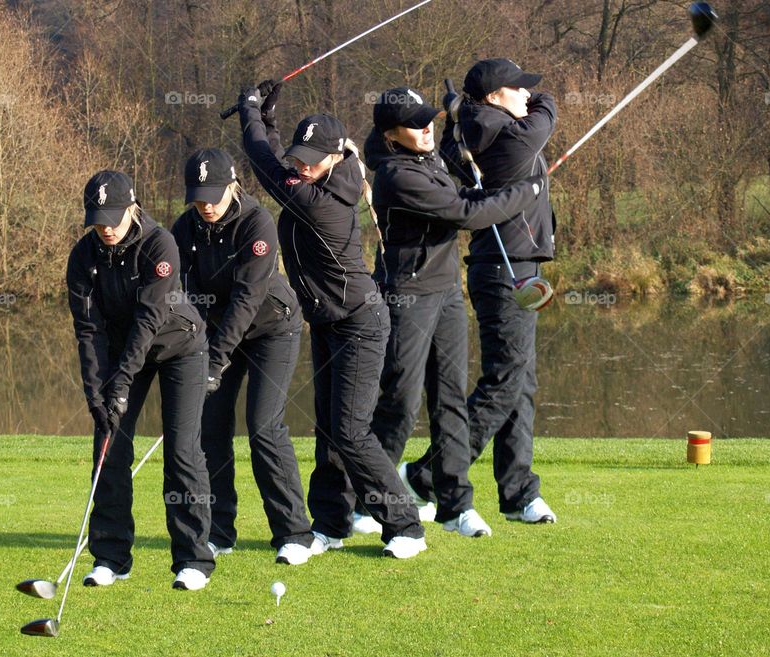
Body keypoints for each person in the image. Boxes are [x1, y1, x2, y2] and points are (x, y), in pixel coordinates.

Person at [237, 81, 427, 559]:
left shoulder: (326, 201)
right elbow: (279, 157)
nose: (301, 165)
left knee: (351, 430)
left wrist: (250, 111)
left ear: (335, 158)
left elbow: (265, 163)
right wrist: (271, 119)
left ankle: (404, 524)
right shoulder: (317, 179)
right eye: (300, 156)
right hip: (327, 321)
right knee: (329, 428)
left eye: (311, 158)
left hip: (360, 323)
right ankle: (330, 523)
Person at [356, 87, 547, 537]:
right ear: (390, 134)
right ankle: (370, 501)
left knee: (450, 401)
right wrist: (528, 190)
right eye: (415, 123)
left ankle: (454, 504)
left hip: (446, 294)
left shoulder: (430, 159)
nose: (426, 127)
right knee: (400, 403)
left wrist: (460, 123)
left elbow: (461, 178)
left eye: (429, 118)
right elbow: (465, 213)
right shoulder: (395, 175)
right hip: (408, 294)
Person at [66, 170, 216, 591]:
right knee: (108, 448)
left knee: (182, 453)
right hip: (122, 352)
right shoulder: (83, 257)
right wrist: (97, 393)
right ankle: (111, 558)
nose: (107, 227)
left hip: (179, 348)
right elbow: (89, 330)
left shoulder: (158, 244)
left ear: (132, 207)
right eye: (98, 219)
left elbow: (149, 320)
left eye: (114, 216)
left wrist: (120, 383)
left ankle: (193, 559)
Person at [170, 148, 314, 566]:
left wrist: (215, 362)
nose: (208, 204)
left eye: (214, 194)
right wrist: (190, 349)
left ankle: (294, 533)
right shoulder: (185, 229)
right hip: (215, 332)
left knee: (263, 425)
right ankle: (219, 531)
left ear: (233, 185)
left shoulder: (257, 223)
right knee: (210, 427)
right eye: (199, 197)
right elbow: (178, 295)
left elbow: (246, 300)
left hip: (272, 328)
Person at [436, 58, 559, 524]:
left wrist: (455, 111)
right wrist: (461, 109)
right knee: (505, 381)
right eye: (517, 89)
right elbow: (546, 112)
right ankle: (432, 474)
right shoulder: (508, 134)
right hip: (505, 270)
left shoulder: (472, 129)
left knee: (520, 382)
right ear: (492, 97)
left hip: (510, 265)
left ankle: (518, 492)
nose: (528, 95)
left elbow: (456, 148)